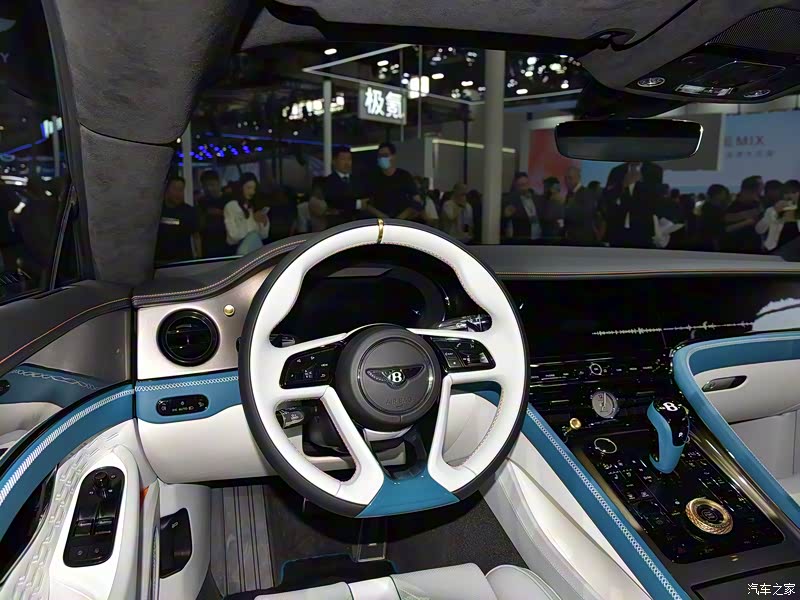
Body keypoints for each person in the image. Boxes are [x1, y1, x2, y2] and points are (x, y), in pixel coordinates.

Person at [603, 161, 663, 248]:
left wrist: (641, 182)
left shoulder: (654, 170)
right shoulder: (617, 170)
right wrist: (623, 185)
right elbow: (607, 197)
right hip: (617, 228)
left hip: (643, 228)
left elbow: (655, 199)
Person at [366, 142, 424, 220]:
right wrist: (383, 217)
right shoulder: (373, 178)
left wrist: (402, 217)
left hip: (403, 220)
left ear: (393, 156)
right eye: (380, 156)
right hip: (380, 221)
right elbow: (366, 204)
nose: (382, 158)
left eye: (385, 155)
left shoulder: (404, 176)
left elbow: (417, 201)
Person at [155, 176, 200, 263]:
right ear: (166, 190)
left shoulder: (189, 211)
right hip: (160, 261)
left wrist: (199, 258)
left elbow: (196, 236)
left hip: (183, 261)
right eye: (175, 189)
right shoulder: (157, 210)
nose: (178, 193)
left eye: (181, 190)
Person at [224, 173, 270, 255]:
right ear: (241, 188)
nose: (252, 192)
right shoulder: (231, 206)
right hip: (237, 250)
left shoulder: (255, 205)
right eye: (248, 188)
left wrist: (264, 222)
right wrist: (252, 220)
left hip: (255, 248)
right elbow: (233, 236)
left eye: (254, 188)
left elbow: (264, 235)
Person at [322, 147, 366, 226]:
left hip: (358, 223)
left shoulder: (358, 179)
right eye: (343, 159)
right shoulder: (328, 181)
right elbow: (334, 201)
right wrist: (357, 204)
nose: (347, 163)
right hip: (338, 224)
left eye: (349, 159)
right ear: (334, 161)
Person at [721, 176, 763, 253]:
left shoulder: (757, 204)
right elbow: (725, 229)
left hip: (754, 247)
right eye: (760, 186)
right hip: (736, 248)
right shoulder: (732, 207)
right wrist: (746, 222)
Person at [563, 165, 603, 246]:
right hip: (572, 238)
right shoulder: (569, 194)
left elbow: (587, 215)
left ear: (578, 178)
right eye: (565, 178)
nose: (567, 181)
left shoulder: (586, 193)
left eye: (570, 178)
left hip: (583, 239)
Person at [757, 179, 800, 252]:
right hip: (776, 251)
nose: (790, 196)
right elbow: (759, 230)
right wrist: (774, 212)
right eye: (786, 193)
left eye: (794, 192)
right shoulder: (772, 210)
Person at [196, 169, 230, 257]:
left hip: (227, 245)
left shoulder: (228, 200)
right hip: (208, 247)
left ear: (218, 183)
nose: (209, 189)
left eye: (212, 185)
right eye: (205, 186)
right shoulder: (201, 202)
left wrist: (221, 213)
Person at [502, 172, 543, 243]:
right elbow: (504, 221)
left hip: (539, 237)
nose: (524, 187)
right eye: (521, 185)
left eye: (526, 184)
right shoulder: (509, 199)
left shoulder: (536, 198)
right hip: (521, 239)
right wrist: (506, 215)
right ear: (516, 186)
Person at [696, 184, 730, 251]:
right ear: (717, 195)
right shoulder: (712, 209)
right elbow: (719, 228)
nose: (725, 195)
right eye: (723, 193)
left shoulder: (707, 206)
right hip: (711, 241)